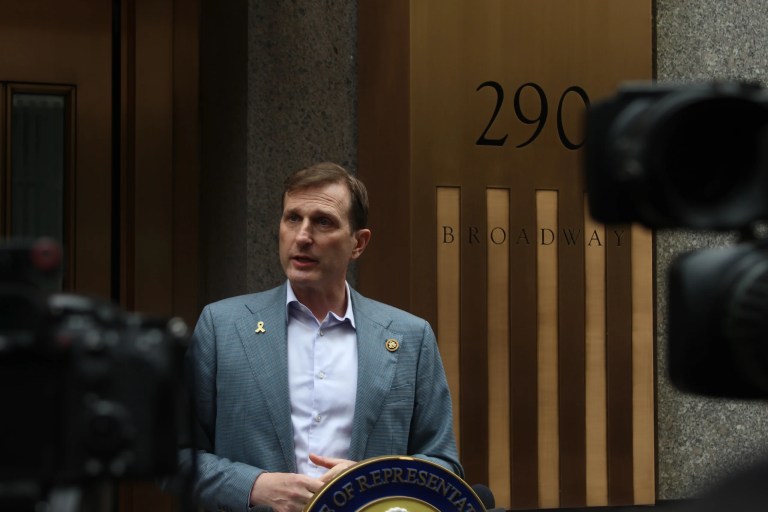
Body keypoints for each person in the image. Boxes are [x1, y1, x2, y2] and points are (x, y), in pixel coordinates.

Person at [183, 162, 462, 512]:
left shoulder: (410, 337)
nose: (302, 236)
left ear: (358, 243)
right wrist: (255, 487)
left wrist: (374, 479)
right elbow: (175, 457)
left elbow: (444, 465)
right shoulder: (222, 326)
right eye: (292, 218)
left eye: (323, 222)